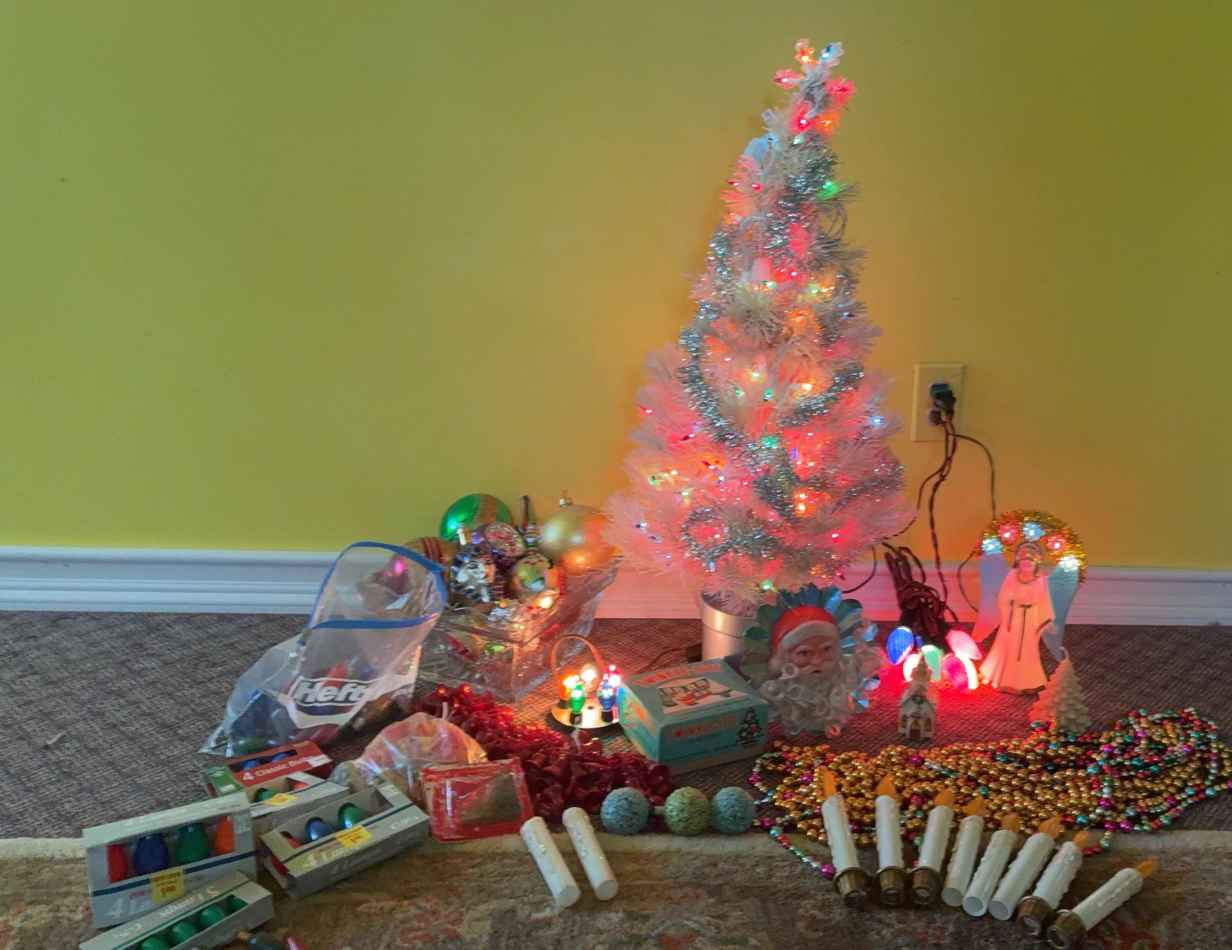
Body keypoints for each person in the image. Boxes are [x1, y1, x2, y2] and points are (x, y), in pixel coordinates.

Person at [979, 542, 1056, 693]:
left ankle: (1028, 681)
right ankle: (1001, 677)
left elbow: (1045, 601)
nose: (1027, 565)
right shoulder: (1012, 576)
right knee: (1008, 645)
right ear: (1018, 562)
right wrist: (1010, 602)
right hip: (1013, 617)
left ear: (1036, 564)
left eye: (1030, 563)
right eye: (1024, 562)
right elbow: (1003, 596)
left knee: (1028, 649)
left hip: (1031, 619)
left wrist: (1044, 620)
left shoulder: (1041, 580)